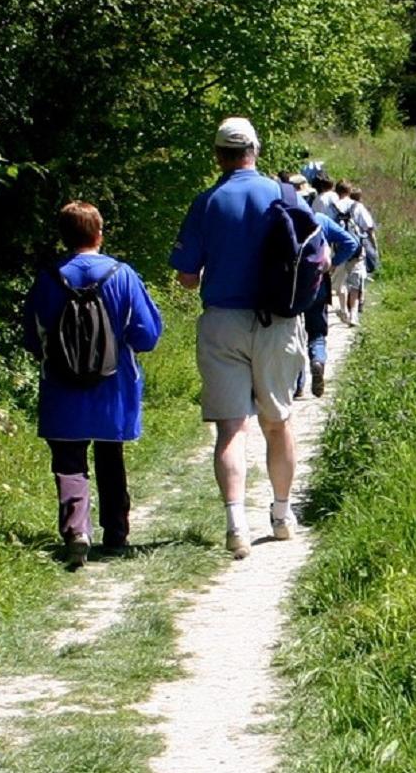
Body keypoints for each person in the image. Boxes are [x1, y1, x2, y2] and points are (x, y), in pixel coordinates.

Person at [169, 117, 308, 559]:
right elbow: (323, 252)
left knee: (231, 430)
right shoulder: (283, 195)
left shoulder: (206, 202)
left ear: (218, 155)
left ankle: (236, 526)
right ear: (255, 150)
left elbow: (188, 278)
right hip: (276, 321)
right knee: (278, 421)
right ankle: (282, 516)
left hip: (223, 321)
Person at [21, 202, 163, 567]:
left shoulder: (48, 277)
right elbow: (147, 335)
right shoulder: (122, 274)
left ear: (63, 236)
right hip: (113, 387)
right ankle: (115, 534)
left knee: (68, 460)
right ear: (99, 233)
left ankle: (76, 531)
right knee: (110, 456)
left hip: (61, 386)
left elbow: (33, 338)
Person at [300, 195, 360, 398]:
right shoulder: (321, 220)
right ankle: (318, 360)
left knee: (293, 334)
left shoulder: (280, 221)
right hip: (317, 285)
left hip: (288, 290)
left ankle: (298, 384)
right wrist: (334, 263)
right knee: (316, 332)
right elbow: (350, 243)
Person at [326, 180, 360, 325]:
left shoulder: (332, 207)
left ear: (337, 191)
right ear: (350, 190)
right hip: (356, 250)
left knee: (340, 283)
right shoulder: (357, 206)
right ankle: (353, 315)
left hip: (337, 249)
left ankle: (343, 310)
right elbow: (368, 226)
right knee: (355, 283)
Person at [344, 186, 377, 321]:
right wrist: (375, 246)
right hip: (357, 246)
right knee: (359, 276)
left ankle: (346, 304)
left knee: (345, 278)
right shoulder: (359, 208)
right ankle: (357, 305)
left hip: (341, 246)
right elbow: (369, 229)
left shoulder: (340, 206)